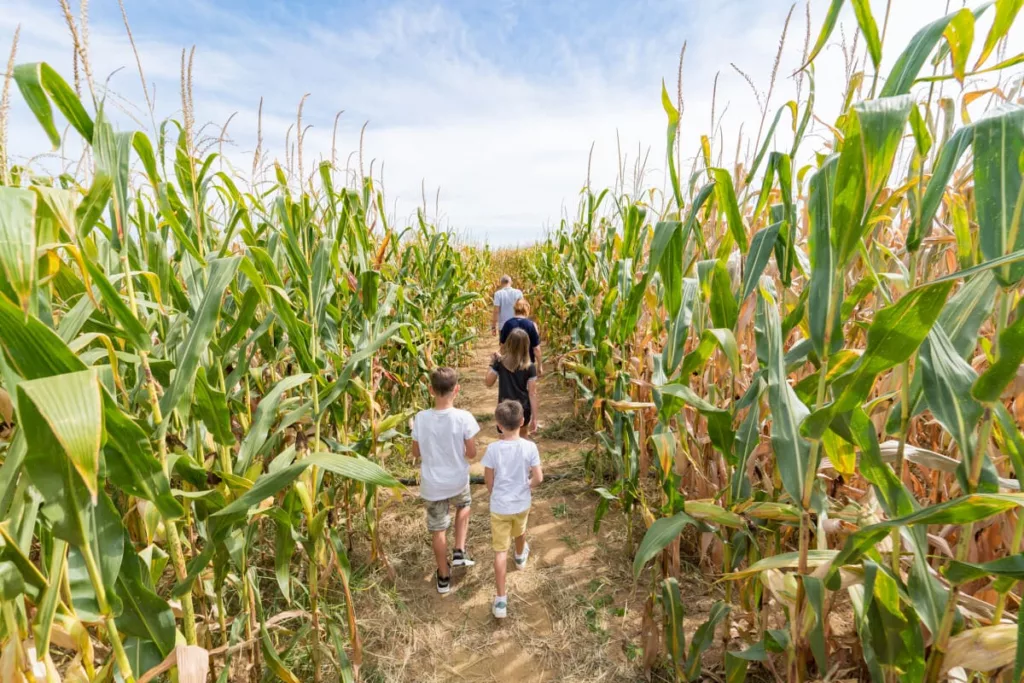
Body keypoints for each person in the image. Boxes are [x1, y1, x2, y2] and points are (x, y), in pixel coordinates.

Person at [411, 367, 481, 594]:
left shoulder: (420, 419)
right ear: (457, 390)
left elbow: (415, 453)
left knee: (438, 529)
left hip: (432, 484)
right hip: (457, 479)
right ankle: (459, 549)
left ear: (430, 390)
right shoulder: (464, 418)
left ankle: (443, 576)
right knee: (464, 505)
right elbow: (471, 454)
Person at [482, 400, 543, 619]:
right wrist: (527, 485)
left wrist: (495, 492)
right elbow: (538, 477)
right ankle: (519, 557)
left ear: (498, 424)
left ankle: (500, 600)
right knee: (521, 529)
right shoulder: (530, 447)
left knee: (500, 551)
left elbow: (489, 480)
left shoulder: (492, 449)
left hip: (500, 506)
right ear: (523, 421)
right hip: (521, 503)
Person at [485, 328, 538, 434]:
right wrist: (535, 418)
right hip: (522, 409)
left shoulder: (499, 362)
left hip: (504, 409)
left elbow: (488, 383)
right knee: (523, 439)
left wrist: (492, 362)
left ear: (509, 343)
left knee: (504, 441)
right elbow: (532, 394)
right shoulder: (530, 367)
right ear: (526, 345)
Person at [499, 298, 543, 376]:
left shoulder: (507, 324)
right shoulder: (531, 325)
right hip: (527, 364)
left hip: (511, 365)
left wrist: (503, 364)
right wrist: (540, 365)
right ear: (527, 309)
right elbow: (536, 349)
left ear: (515, 309)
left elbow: (502, 347)